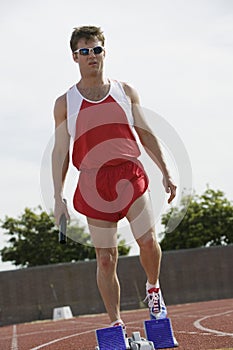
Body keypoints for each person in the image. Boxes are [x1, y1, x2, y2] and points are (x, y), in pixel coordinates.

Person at [52, 26, 177, 330]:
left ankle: (153, 288)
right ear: (75, 57)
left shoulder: (125, 91)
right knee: (106, 258)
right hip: (93, 182)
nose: (91, 55)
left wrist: (166, 172)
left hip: (129, 174)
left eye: (96, 49)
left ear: (104, 53)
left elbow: (145, 133)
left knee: (147, 241)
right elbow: (60, 152)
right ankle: (116, 323)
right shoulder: (64, 103)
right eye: (85, 51)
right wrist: (59, 197)